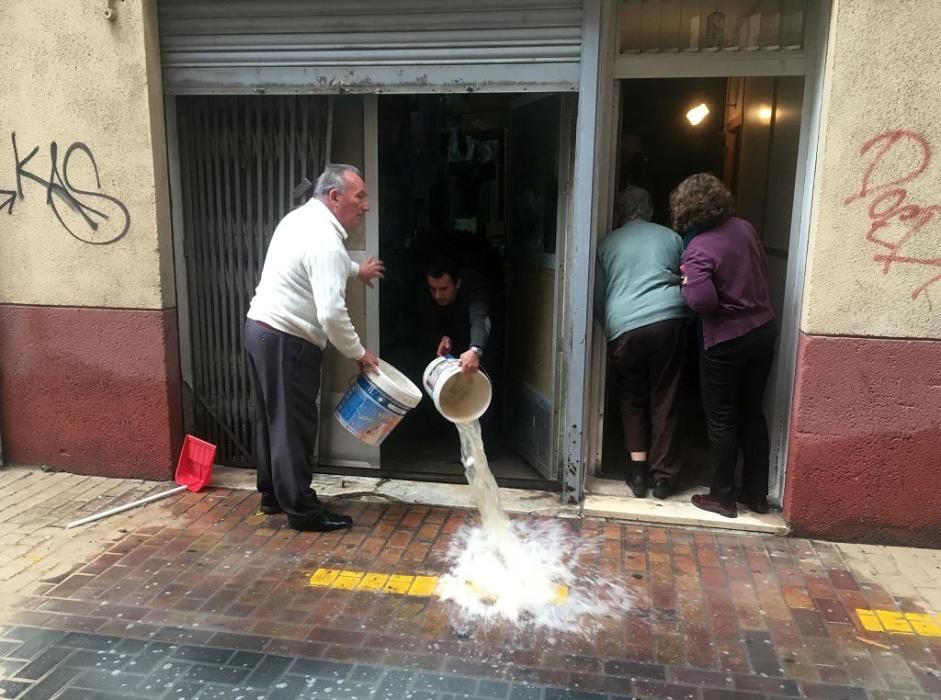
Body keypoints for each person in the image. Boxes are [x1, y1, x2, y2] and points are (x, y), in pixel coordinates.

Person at [244, 164, 384, 532]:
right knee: (294, 427)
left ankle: (273, 494)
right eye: (360, 196)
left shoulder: (301, 220)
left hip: (260, 331)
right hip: (288, 341)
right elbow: (332, 313)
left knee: (272, 419)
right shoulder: (325, 241)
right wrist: (358, 353)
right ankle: (303, 512)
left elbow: (322, 264)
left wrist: (358, 270)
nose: (365, 206)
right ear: (335, 197)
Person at [672, 173, 776, 518]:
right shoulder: (744, 228)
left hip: (725, 341)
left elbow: (701, 301)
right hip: (762, 331)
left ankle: (722, 496)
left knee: (721, 420)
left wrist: (686, 286)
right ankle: (757, 495)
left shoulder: (698, 247)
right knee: (751, 413)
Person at [594, 187, 689, 500]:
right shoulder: (672, 238)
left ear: (621, 213)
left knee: (631, 397)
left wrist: (610, 326)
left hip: (625, 325)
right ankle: (662, 478)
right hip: (667, 320)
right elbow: (687, 279)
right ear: (649, 210)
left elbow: (598, 296)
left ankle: (637, 472)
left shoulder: (607, 243)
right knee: (666, 396)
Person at [422, 256, 492, 375]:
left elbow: (479, 319)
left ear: (458, 283)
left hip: (479, 342)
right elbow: (423, 323)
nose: (437, 295)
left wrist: (475, 350)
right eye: (433, 289)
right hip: (448, 343)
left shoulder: (475, 289)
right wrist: (441, 337)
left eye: (443, 289)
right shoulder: (425, 293)